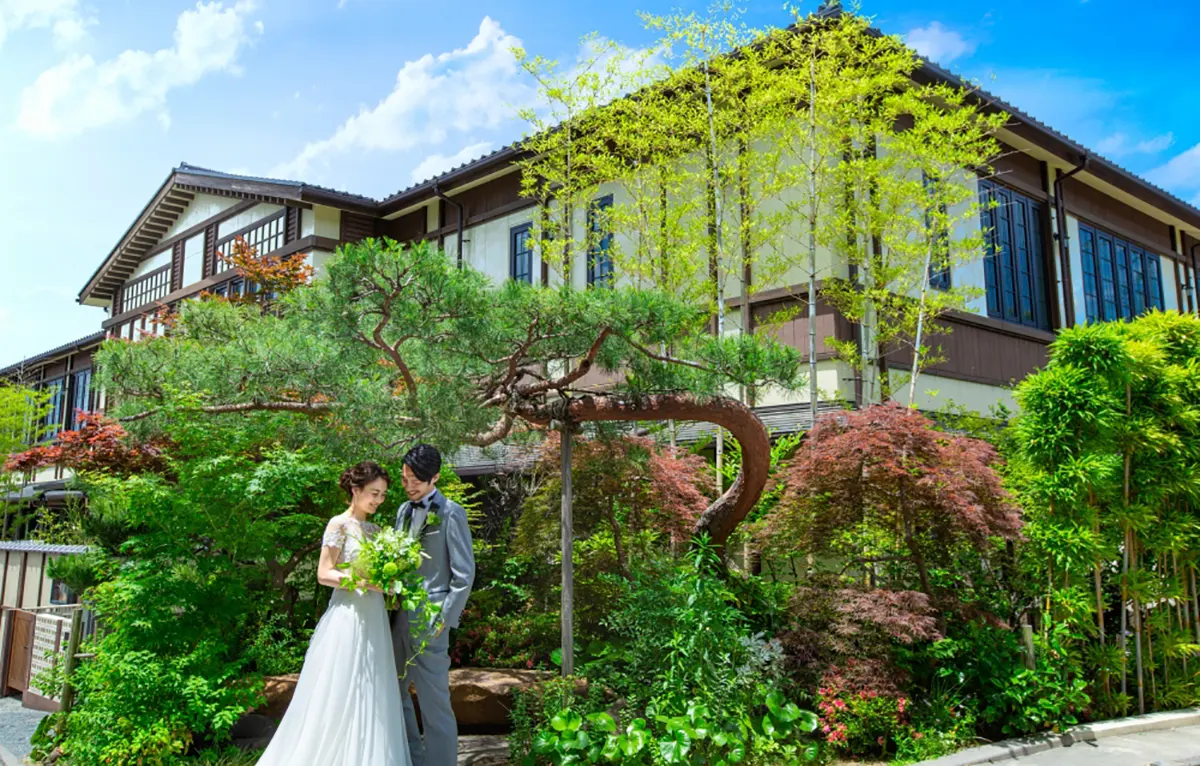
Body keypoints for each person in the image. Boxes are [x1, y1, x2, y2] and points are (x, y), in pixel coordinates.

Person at [256, 461, 410, 766]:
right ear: (355, 490)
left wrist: (390, 584)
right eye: (373, 493)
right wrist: (367, 583)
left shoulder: (377, 531)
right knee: (340, 686)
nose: (378, 500)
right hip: (348, 616)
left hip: (374, 616)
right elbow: (324, 573)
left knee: (373, 688)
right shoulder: (338, 524)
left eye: (382, 495)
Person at [391, 444, 475, 766]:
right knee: (395, 696)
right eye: (404, 478)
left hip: (431, 620)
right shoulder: (402, 511)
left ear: (435, 477)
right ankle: (413, 759)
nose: (409, 485)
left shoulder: (452, 511)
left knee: (435, 703)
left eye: (416, 480)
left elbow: (464, 573)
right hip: (397, 620)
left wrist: (444, 619)